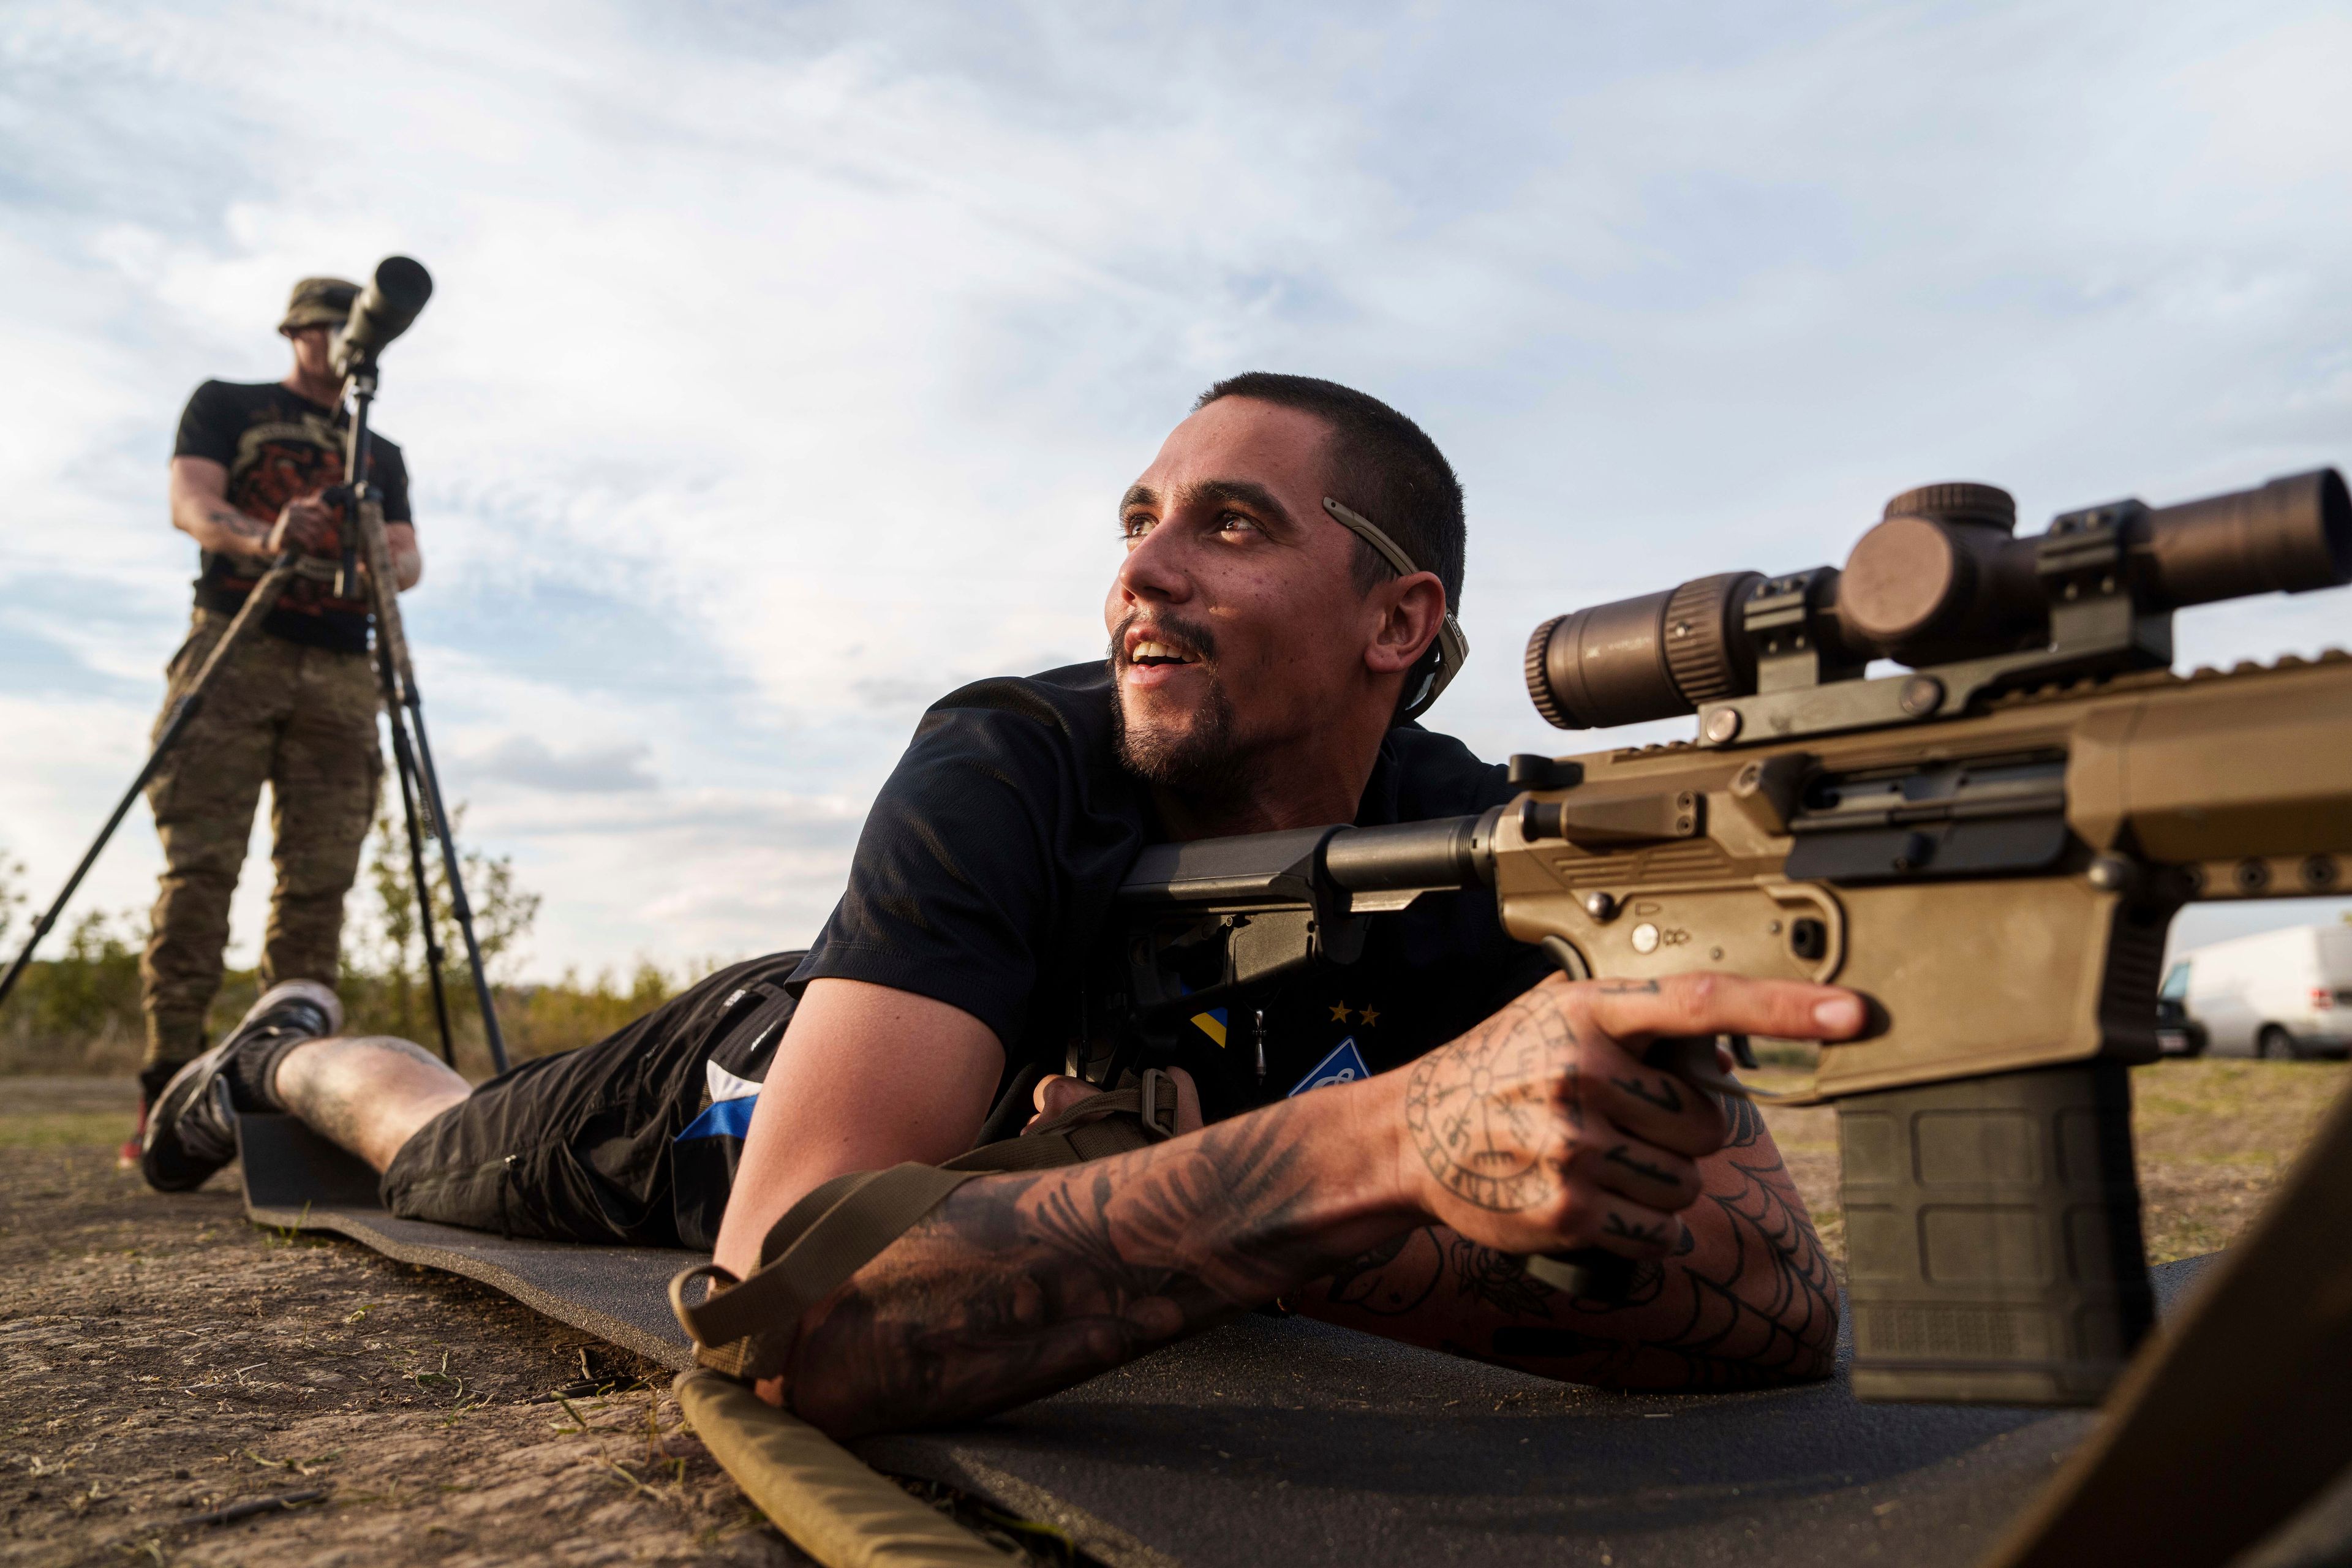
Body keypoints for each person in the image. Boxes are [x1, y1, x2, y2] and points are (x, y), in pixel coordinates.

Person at [141, 374, 1859, 1436]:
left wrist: (1181, 1197)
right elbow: (777, 1311)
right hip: (744, 1082)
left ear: (1395, 624)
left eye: (1232, 524)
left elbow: (1773, 1314)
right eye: (1138, 518)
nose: (1142, 570)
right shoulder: (1012, 761)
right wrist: (1378, 1156)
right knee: (436, 1145)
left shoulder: (1481, 841)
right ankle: (285, 1059)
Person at [127, 276, 424, 1163]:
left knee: (318, 880)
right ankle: (165, 1084)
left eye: (355, 331)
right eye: (327, 328)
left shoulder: (381, 449)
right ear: (296, 331)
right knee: (202, 866)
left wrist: (371, 550)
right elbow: (192, 503)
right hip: (237, 641)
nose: (340, 345)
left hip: (342, 668)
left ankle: (286, 1089)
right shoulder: (229, 405)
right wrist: (268, 536)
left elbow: (406, 559)